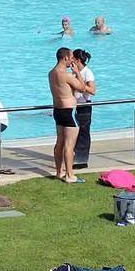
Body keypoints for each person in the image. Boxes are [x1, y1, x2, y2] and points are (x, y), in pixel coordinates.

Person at [48, 48, 84, 183]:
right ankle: (70, 175)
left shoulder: (51, 73)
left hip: (57, 111)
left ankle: (59, 172)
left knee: (60, 143)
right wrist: (77, 73)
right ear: (65, 58)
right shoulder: (66, 75)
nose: (72, 60)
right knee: (69, 145)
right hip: (69, 111)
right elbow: (81, 87)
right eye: (70, 58)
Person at [71, 49, 96, 170]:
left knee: (83, 133)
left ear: (77, 60)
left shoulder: (87, 72)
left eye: (72, 59)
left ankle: (82, 160)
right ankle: (74, 156)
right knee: (74, 132)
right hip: (75, 106)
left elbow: (92, 90)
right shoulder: (73, 73)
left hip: (84, 106)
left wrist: (79, 79)